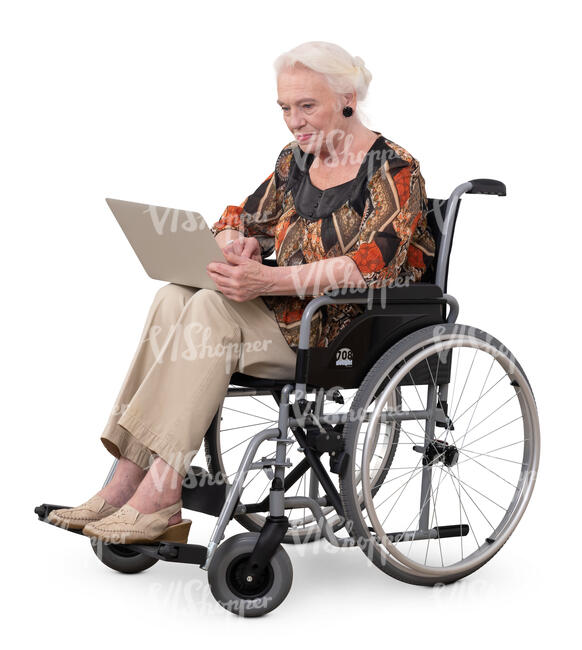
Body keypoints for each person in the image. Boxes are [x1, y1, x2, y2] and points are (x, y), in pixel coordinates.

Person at [48, 41, 435, 544]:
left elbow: (370, 266)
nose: (294, 121)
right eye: (285, 109)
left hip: (340, 330)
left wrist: (270, 279)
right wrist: (236, 239)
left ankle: (162, 494)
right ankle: (125, 480)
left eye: (306, 106)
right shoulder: (295, 162)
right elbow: (239, 216)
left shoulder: (393, 169)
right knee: (173, 295)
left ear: (347, 98)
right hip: (284, 316)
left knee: (209, 306)